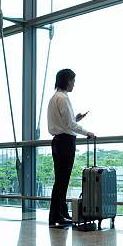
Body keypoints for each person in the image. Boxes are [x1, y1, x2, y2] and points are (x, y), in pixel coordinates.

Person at [47, 69, 95, 226]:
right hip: (66, 142)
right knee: (63, 180)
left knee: (59, 180)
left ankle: (58, 214)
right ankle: (58, 215)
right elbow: (69, 125)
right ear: (67, 80)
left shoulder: (54, 98)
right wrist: (87, 132)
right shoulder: (63, 99)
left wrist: (76, 119)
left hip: (57, 141)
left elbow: (65, 123)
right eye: (73, 80)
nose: (74, 83)